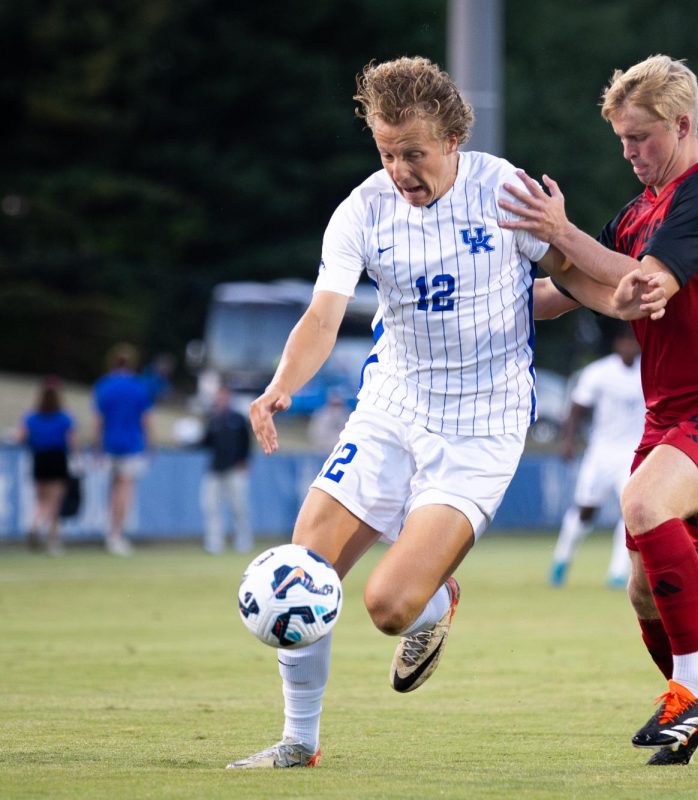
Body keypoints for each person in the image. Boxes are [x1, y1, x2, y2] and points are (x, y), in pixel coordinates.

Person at [227, 56, 577, 770]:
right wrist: (279, 385)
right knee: (301, 569)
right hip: (392, 406)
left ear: (452, 139)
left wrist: (628, 284)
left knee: (388, 606)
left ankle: (433, 606)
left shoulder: (503, 190)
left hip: (482, 425)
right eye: (387, 153)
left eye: (413, 152)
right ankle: (299, 741)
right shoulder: (362, 209)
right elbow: (323, 316)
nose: (399, 169)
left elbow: (565, 277)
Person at [500, 54, 698, 765]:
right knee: (643, 596)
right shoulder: (634, 213)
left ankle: (695, 691)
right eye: (621, 139)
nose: (628, 152)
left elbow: (640, 282)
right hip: (670, 419)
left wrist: (563, 236)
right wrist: (472, 302)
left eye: (640, 137)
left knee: (642, 501)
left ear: (681, 124)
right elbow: (565, 292)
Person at [548, 325, 643, 589]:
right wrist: (568, 442)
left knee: (630, 513)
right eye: (625, 342)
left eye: (634, 342)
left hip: (632, 454)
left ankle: (617, 573)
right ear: (617, 344)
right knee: (585, 509)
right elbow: (576, 409)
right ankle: (561, 560)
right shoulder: (599, 373)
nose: (630, 347)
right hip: (600, 453)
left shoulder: (648, 372)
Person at [94, 343, 154, 556]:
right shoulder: (138, 387)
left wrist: (97, 447)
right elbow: (145, 420)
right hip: (131, 445)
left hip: (110, 444)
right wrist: (149, 445)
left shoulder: (104, 386)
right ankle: (116, 535)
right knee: (124, 492)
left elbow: (99, 421)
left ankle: (109, 530)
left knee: (111, 491)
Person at [19, 378, 76, 556]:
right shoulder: (65, 417)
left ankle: (38, 526)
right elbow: (71, 442)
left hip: (39, 458)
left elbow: (21, 438)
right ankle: (48, 536)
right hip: (58, 458)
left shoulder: (31, 417)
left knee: (41, 499)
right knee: (55, 502)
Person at [199, 385, 253, 554]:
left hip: (235, 468)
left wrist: (244, 461)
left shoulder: (237, 418)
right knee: (211, 506)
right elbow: (206, 442)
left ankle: (243, 541)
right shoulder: (212, 419)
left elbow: (247, 442)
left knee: (239, 506)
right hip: (215, 468)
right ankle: (214, 542)